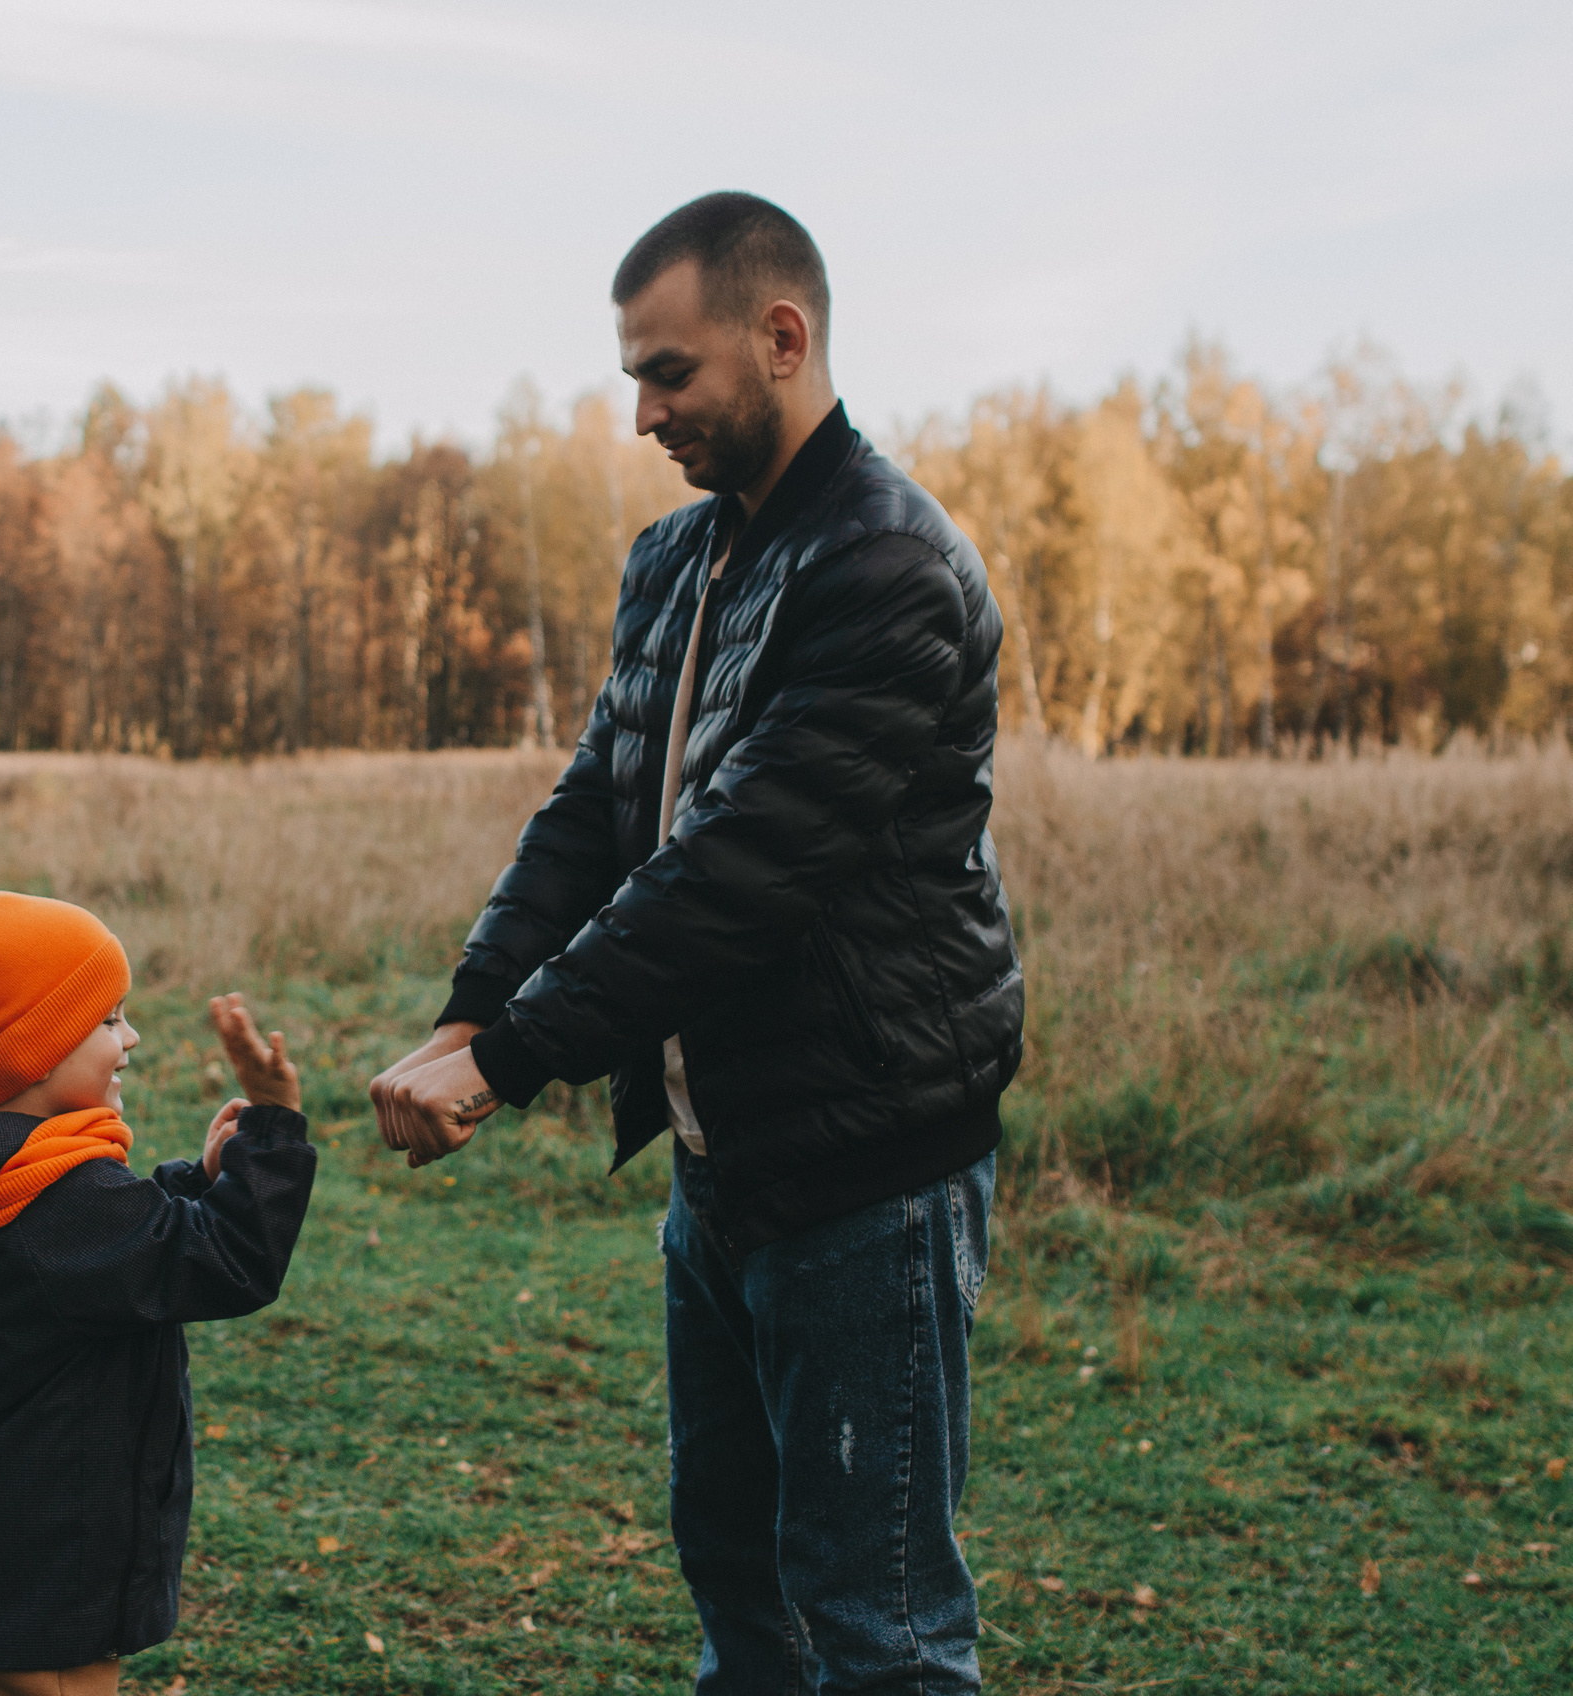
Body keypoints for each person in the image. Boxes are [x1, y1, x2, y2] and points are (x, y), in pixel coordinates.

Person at [369, 193, 1022, 1694]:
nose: (645, 412)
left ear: (781, 340)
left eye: (670, 374)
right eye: (635, 378)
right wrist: (475, 1009)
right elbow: (597, 814)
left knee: (882, 1624)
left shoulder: (888, 569)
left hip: (870, 1162)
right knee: (738, 1578)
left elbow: (738, 876)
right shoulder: (676, 562)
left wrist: (518, 1059)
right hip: (720, 1162)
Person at [0, 890, 313, 1696]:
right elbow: (222, 1261)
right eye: (107, 1020)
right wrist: (274, 1127)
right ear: (38, 1048)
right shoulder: (66, 1201)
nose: (130, 1038)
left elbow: (121, 1254)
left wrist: (197, 1184)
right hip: (49, 1555)